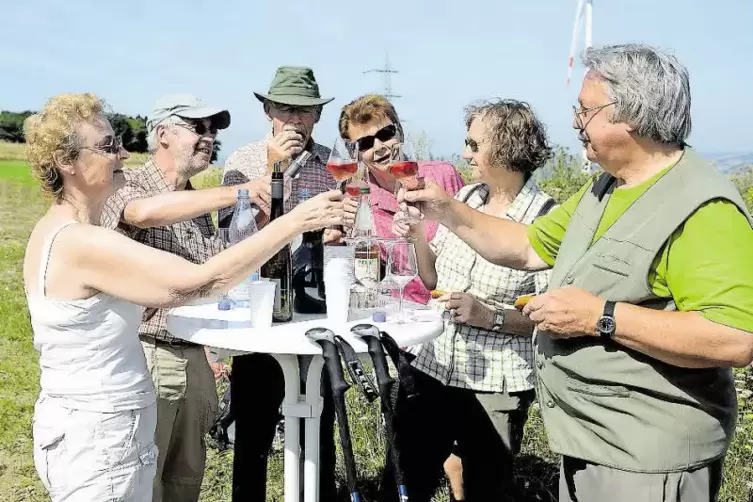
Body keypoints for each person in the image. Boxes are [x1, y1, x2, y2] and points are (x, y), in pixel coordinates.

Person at [398, 44, 753, 502]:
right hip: (594, 445)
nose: (574, 122)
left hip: (647, 459)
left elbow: (734, 336)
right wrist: (444, 208)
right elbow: (525, 245)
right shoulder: (606, 188)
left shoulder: (703, 208)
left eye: (585, 110)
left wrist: (600, 316)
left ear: (633, 118)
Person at [22, 93, 352, 502]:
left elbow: (216, 267)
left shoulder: (61, 229)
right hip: (98, 434)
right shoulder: (81, 241)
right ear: (66, 162)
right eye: (108, 146)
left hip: (105, 423)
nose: (123, 153)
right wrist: (295, 222)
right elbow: (195, 282)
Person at [390, 99, 557, 502]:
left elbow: (552, 315)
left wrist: (489, 316)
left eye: (473, 144)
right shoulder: (467, 198)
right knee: (405, 480)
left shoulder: (546, 217)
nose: (465, 153)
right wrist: (415, 234)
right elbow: (432, 280)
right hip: (434, 364)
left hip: (495, 381)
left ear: (504, 148)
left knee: (487, 488)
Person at [98, 93, 262, 501]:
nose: (209, 138)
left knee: (185, 485)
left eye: (214, 130)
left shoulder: (194, 200)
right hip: (148, 357)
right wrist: (240, 192)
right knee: (141, 484)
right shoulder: (128, 183)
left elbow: (209, 278)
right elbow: (143, 214)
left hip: (194, 359)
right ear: (162, 134)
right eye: (198, 127)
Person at [220, 65, 340, 502]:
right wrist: (275, 171)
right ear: (268, 110)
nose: (295, 120)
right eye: (286, 109)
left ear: (317, 117)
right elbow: (234, 240)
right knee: (253, 428)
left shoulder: (331, 164)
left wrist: (336, 232)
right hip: (262, 307)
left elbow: (343, 231)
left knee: (319, 423)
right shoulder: (243, 163)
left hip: (314, 304)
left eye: (305, 111)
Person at [338, 94, 465, 304]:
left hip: (457, 305)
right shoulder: (358, 201)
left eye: (386, 134)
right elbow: (362, 274)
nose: (379, 146)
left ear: (401, 133)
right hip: (401, 312)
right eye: (366, 143)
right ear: (356, 154)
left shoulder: (443, 176)